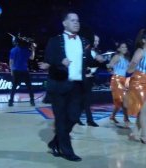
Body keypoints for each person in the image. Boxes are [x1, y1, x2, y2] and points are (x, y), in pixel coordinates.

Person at [44, 11, 104, 162]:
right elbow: (49, 59)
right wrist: (60, 62)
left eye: (77, 20)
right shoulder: (55, 41)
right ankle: (67, 151)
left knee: (73, 117)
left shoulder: (84, 42)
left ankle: (55, 142)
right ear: (64, 23)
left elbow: (88, 63)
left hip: (78, 86)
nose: (76, 23)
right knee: (60, 119)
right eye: (72, 20)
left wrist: (97, 60)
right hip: (59, 84)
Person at [107, 42, 131, 127]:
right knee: (121, 100)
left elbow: (128, 70)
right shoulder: (117, 57)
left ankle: (113, 116)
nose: (124, 48)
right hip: (117, 80)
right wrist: (112, 72)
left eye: (125, 47)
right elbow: (109, 66)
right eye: (122, 47)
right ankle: (126, 118)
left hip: (124, 80)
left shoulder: (126, 59)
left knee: (122, 101)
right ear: (119, 49)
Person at [8, 36, 36, 107]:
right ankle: (32, 101)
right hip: (24, 71)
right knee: (29, 86)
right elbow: (32, 58)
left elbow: (11, 61)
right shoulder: (26, 50)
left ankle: (11, 101)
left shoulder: (13, 50)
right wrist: (33, 49)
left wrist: (11, 71)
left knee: (14, 87)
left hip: (16, 70)